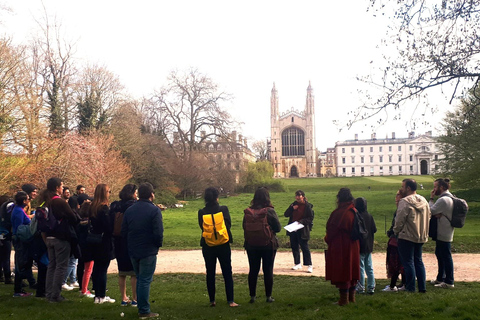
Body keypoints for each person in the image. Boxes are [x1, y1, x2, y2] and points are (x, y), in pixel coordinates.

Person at [122, 183, 163, 319]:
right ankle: (144, 310)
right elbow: (158, 232)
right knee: (145, 280)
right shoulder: (154, 210)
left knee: (140, 278)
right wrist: (157, 245)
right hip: (148, 249)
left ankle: (140, 306)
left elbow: (124, 231)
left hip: (134, 249)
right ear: (152, 194)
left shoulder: (130, 210)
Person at [198, 187, 238, 307]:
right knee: (227, 271)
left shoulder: (202, 212)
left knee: (210, 272)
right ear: (217, 197)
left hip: (208, 244)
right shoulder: (223, 209)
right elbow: (228, 225)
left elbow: (202, 227)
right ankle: (230, 301)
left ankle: (212, 301)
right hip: (223, 244)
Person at [243, 187, 281, 303]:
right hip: (267, 245)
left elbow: (244, 227)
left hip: (251, 245)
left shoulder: (249, 212)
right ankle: (268, 296)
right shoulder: (269, 211)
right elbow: (278, 228)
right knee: (268, 270)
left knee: (253, 270)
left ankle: (252, 296)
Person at [44, 177, 78, 303]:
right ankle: (56, 295)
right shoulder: (60, 202)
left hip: (48, 236)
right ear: (57, 187)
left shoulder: (45, 201)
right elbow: (73, 218)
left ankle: (49, 293)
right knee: (61, 266)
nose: (63, 188)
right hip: (61, 237)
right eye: (61, 186)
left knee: (51, 266)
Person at [324, 188, 360, 306]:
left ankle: (344, 300)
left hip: (342, 245)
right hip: (354, 245)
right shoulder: (354, 210)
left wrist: (327, 239)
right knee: (352, 268)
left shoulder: (339, 213)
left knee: (343, 270)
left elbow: (331, 229)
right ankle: (352, 297)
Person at [394, 179, 430, 293]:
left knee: (408, 262)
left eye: (403, 187)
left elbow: (399, 220)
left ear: (408, 188)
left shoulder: (404, 201)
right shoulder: (424, 200)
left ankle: (410, 287)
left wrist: (396, 231)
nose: (402, 189)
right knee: (418, 261)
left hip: (407, 235)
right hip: (420, 235)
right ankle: (422, 287)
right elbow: (429, 216)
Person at [110, 184, 138, 306]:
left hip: (117, 240)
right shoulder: (133, 206)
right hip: (130, 239)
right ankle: (135, 299)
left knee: (122, 272)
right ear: (132, 193)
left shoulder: (115, 205)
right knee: (134, 272)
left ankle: (123, 298)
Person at [89, 184, 115, 304]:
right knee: (103, 269)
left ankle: (97, 295)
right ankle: (102, 295)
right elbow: (108, 227)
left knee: (96, 268)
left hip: (94, 240)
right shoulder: (104, 209)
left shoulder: (92, 207)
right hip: (104, 241)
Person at [428, 178, 455, 289]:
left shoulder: (443, 200)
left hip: (443, 231)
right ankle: (441, 278)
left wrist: (431, 198)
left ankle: (449, 281)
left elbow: (430, 211)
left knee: (445, 256)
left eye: (435, 187)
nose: (434, 189)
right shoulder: (449, 197)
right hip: (445, 230)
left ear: (442, 187)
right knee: (440, 254)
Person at [284, 190, 314, 273]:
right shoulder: (293, 204)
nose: (298, 200)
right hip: (293, 229)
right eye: (296, 198)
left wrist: (301, 222)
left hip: (302, 229)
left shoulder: (307, 206)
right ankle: (297, 263)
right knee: (294, 246)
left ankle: (309, 265)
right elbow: (286, 214)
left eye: (299, 198)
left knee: (305, 247)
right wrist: (291, 208)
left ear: (303, 197)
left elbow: (310, 218)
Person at [383, 189, 405, 292]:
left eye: (398, 197)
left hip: (398, 240)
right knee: (402, 263)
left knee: (395, 263)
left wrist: (392, 232)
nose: (396, 199)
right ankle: (404, 283)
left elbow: (397, 225)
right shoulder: (399, 210)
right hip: (401, 239)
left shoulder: (401, 210)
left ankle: (393, 286)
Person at [11, 191, 33, 297]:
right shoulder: (19, 211)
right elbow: (20, 227)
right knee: (20, 263)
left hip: (19, 239)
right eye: (28, 199)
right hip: (20, 240)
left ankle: (20, 289)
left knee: (22, 262)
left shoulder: (18, 210)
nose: (29, 200)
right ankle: (18, 290)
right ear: (24, 200)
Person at [354, 197, 377, 294]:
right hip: (369, 245)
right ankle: (371, 287)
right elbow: (374, 229)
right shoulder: (369, 216)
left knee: (361, 267)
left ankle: (361, 287)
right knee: (369, 267)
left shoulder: (357, 216)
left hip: (360, 245)